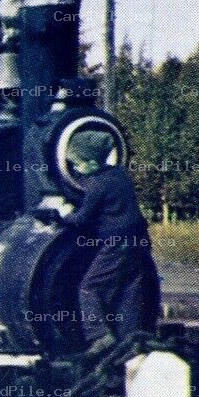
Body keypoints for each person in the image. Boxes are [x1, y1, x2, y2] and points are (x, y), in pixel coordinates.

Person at [36, 130, 160, 351]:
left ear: (92, 163)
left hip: (117, 244)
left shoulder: (96, 186)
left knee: (90, 287)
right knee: (131, 287)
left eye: (77, 163)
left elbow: (83, 218)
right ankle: (132, 338)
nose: (74, 168)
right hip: (139, 240)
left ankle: (100, 335)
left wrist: (59, 216)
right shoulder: (119, 174)